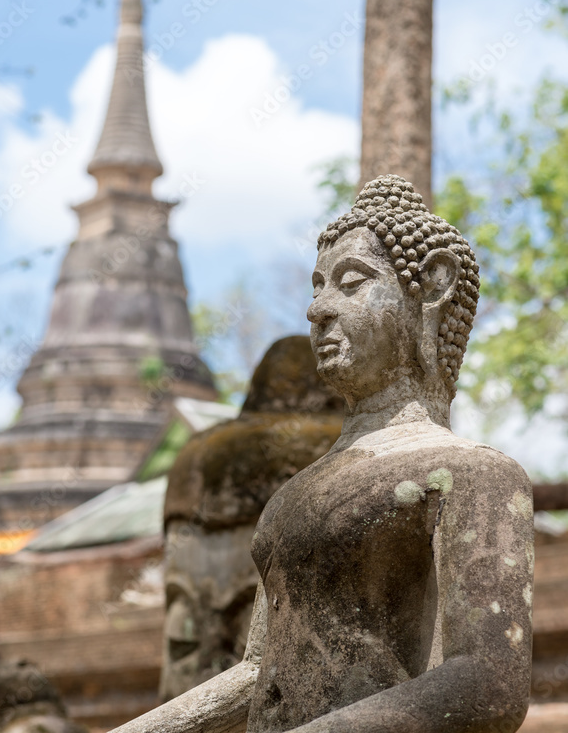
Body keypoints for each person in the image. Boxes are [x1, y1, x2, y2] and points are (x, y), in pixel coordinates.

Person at [112, 175, 533, 733]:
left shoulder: (473, 476)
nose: (317, 310)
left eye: (350, 283)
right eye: (316, 287)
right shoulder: (293, 496)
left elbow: (487, 685)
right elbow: (260, 670)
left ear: (432, 286)